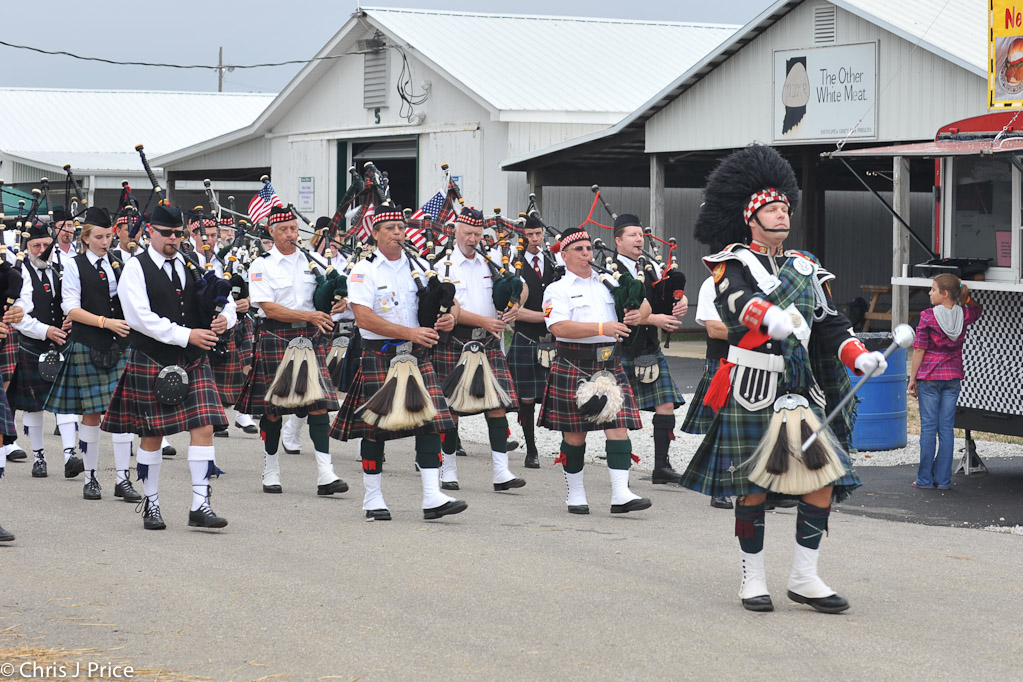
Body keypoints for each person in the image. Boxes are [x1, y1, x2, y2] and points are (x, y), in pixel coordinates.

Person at [680, 144, 888, 614]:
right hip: (753, 387)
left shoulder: (805, 265)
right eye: (772, 209)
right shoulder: (731, 261)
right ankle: (752, 578)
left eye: (785, 208)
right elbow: (734, 302)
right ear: (751, 218)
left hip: (800, 387)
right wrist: (766, 316)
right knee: (751, 485)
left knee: (822, 479)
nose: (782, 214)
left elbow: (831, 321)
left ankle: (805, 576)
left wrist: (859, 356)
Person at [102, 204, 234, 530]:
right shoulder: (136, 267)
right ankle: (152, 503)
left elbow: (224, 298)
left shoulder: (194, 262)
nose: (173, 238)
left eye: (178, 233)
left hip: (193, 359)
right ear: (151, 232)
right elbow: (138, 318)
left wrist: (223, 320)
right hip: (153, 357)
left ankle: (200, 504)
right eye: (167, 233)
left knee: (204, 426)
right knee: (152, 435)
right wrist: (186, 334)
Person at [330, 208, 467, 520]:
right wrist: (410, 332)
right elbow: (364, 318)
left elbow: (448, 301)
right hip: (379, 354)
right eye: (390, 227)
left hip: (417, 354)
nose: (397, 232)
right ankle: (373, 497)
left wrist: (450, 318)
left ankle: (432, 496)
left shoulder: (418, 265)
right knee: (375, 428)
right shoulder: (364, 271)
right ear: (375, 233)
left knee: (430, 422)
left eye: (401, 227)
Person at [235, 205, 349, 497]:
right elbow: (268, 307)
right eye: (283, 230)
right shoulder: (262, 265)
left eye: (294, 229)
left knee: (319, 403)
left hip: (310, 339)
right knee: (273, 409)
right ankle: (271, 468)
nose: (290, 235)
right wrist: (308, 316)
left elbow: (328, 295)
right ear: (271, 232)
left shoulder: (314, 262)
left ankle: (326, 472)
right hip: (276, 336)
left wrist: (340, 302)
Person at [539, 226, 651, 515]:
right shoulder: (557, 290)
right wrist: (602, 328)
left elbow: (643, 305)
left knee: (618, 428)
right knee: (575, 435)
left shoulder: (608, 283)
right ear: (564, 256)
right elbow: (559, 327)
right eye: (579, 249)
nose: (586, 253)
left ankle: (621, 494)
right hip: (574, 363)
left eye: (589, 248)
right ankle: (575, 494)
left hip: (609, 363)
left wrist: (640, 313)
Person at [43, 207, 139, 502]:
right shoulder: (74, 265)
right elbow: (70, 308)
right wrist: (104, 322)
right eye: (99, 236)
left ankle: (123, 480)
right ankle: (91, 477)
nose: (105, 241)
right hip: (89, 343)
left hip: (120, 346)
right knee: (91, 415)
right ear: (85, 238)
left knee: (124, 415)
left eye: (109, 236)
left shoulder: (121, 262)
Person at [432, 207, 523, 492]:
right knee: (451, 407)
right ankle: (448, 471)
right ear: (455, 232)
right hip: (456, 341)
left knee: (496, 405)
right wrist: (485, 320)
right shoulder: (442, 265)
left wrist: (516, 303)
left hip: (488, 341)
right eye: (468, 233)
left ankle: (501, 472)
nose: (473, 239)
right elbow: (453, 307)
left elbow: (515, 288)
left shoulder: (492, 262)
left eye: (477, 234)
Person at [611, 214, 689, 485]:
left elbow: (664, 296)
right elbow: (619, 312)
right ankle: (620, 470)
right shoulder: (609, 271)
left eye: (640, 235)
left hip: (648, 347)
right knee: (619, 411)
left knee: (666, 404)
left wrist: (680, 302)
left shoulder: (651, 268)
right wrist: (653, 318)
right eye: (632, 235)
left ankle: (661, 466)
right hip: (620, 348)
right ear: (618, 240)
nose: (638, 239)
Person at [10, 222, 82, 479]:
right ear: (27, 248)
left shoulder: (63, 267)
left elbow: (74, 300)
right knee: (34, 407)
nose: (42, 250)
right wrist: (45, 331)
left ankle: (69, 455)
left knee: (66, 403)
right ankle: (39, 457)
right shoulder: (21, 273)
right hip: (33, 345)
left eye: (45, 245)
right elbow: (18, 317)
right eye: (36, 246)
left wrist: (72, 317)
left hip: (62, 343)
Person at [908, 274, 982, 490]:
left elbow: (919, 349)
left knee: (929, 429)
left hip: (929, 378)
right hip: (953, 378)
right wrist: (965, 297)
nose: (929, 293)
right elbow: (978, 309)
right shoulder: (965, 314)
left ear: (945, 293)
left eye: (933, 289)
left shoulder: (928, 317)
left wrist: (912, 379)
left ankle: (924, 480)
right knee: (947, 429)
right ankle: (943, 480)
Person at [503, 214, 555, 468]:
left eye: (538, 234)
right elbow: (512, 311)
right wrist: (549, 318)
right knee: (525, 399)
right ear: (522, 236)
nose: (534, 239)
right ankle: (531, 450)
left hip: (551, 341)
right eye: (529, 235)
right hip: (525, 338)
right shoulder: (514, 265)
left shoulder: (554, 261)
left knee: (555, 395)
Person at [682, 274, 734, 510]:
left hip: (761, 361)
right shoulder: (713, 283)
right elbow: (713, 329)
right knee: (723, 426)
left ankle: (758, 489)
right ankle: (720, 487)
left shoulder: (764, 281)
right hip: (724, 361)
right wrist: (759, 335)